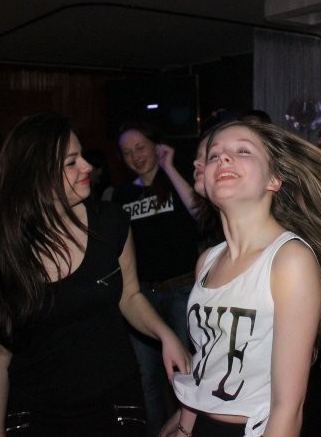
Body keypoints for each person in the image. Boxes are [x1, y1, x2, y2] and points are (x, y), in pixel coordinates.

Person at [165, 120, 321, 437]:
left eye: (242, 151)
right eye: (214, 155)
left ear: (274, 179)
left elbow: (288, 407)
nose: (223, 158)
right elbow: (207, 364)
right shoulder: (208, 261)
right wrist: (184, 428)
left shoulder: (289, 260)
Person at [0, 112, 190, 437]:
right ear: (36, 175)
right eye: (72, 162)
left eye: (82, 156)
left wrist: (165, 334)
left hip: (114, 402)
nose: (87, 166)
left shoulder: (110, 222)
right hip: (36, 411)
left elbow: (129, 296)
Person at [111, 121, 200, 436]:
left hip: (181, 290)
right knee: (147, 376)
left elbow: (200, 213)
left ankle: (186, 431)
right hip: (141, 296)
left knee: (185, 372)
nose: (135, 156)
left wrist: (169, 167)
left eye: (140, 147)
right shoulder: (121, 195)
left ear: (156, 146)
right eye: (127, 152)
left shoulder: (176, 181)